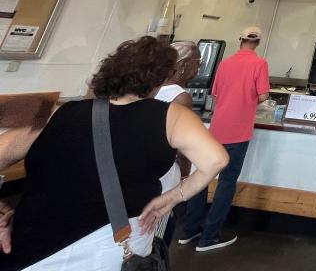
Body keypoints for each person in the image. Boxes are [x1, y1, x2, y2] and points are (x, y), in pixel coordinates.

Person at [0, 36, 227, 271]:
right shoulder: (171, 116)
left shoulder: (59, 113)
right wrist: (173, 198)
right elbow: (216, 160)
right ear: (159, 78)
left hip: (30, 248)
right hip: (109, 248)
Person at [181, 27, 269, 252]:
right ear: (258, 42)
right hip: (239, 132)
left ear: (239, 40)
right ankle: (209, 237)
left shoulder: (225, 63)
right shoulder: (259, 64)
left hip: (216, 129)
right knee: (227, 182)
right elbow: (263, 95)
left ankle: (189, 230)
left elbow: (216, 93)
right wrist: (248, 104)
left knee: (202, 178)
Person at [154, 41, 202, 245]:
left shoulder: (149, 88)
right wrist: (184, 175)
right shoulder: (180, 97)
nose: (199, 68)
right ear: (182, 66)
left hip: (145, 169)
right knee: (160, 229)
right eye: (196, 63)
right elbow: (183, 145)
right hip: (166, 171)